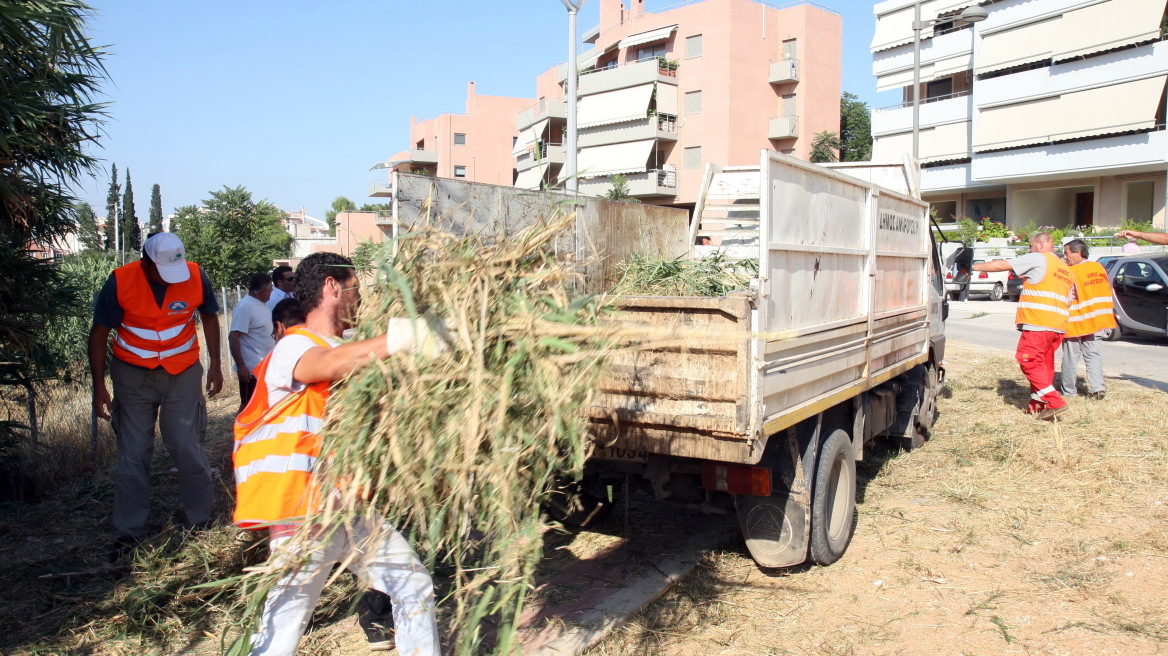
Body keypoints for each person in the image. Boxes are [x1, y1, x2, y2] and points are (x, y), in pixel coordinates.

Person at [232, 252, 443, 656]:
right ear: (333, 288)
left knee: (412, 583)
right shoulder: (294, 347)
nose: (359, 299)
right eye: (355, 289)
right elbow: (326, 365)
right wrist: (403, 337)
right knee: (285, 622)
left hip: (346, 504)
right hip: (303, 515)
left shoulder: (348, 346)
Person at [88, 232, 223, 561]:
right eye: (161, 270)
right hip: (133, 374)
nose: (169, 278)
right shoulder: (120, 281)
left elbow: (208, 317)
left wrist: (216, 364)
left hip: (182, 370)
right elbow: (99, 332)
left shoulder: (194, 274)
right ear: (145, 262)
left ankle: (201, 520)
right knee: (134, 453)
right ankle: (128, 530)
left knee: (186, 445)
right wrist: (99, 386)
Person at [973, 232, 1075, 420]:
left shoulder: (1039, 258)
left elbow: (1002, 265)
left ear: (1042, 244)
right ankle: (1038, 406)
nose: (1028, 249)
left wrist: (972, 266)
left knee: (1027, 359)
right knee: (1044, 365)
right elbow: (1069, 300)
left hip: (1039, 322)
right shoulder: (1066, 269)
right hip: (1058, 325)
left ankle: (1054, 401)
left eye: (1030, 246)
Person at [1059, 240, 1116, 400]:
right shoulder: (1098, 268)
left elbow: (1067, 297)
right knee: (1093, 355)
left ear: (1078, 254)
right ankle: (1098, 388)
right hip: (1096, 320)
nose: (1065, 257)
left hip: (1076, 321)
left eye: (1067, 253)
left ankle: (1069, 392)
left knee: (1071, 357)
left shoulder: (1071, 272)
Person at [229, 273, 275, 411]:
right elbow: (233, 336)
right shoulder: (245, 306)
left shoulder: (263, 305)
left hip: (264, 368)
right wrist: (241, 365)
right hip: (251, 371)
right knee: (248, 408)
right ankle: (241, 432)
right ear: (264, 290)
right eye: (271, 288)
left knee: (262, 408)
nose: (272, 291)